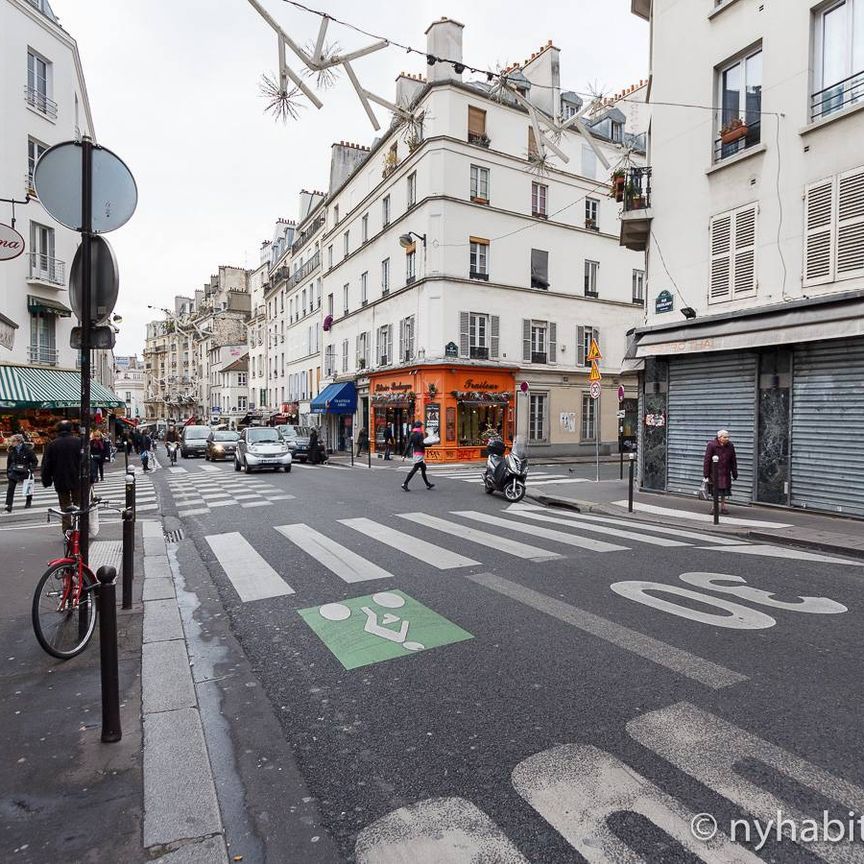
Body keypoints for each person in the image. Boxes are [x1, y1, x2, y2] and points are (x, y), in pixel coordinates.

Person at [41, 420, 81, 533]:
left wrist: (46, 480)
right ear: (71, 429)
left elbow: (47, 464)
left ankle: (67, 528)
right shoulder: (79, 442)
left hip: (60, 478)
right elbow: (86, 460)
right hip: (77, 477)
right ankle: (79, 526)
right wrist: (91, 477)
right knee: (79, 503)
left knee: (65, 505)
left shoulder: (53, 444)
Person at [703, 429, 738, 515]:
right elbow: (707, 460)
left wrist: (734, 472)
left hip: (725, 472)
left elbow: (733, 460)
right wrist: (706, 473)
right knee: (715, 490)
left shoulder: (730, 446)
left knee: (724, 491)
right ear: (719, 437)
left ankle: (723, 507)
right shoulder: (712, 445)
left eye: (728, 437)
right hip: (715, 473)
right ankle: (714, 507)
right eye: (725, 437)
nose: (727, 439)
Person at [5, 434, 38, 513]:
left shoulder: (28, 450)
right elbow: (9, 462)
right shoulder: (11, 450)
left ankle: (28, 501)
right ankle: (8, 505)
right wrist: (8, 472)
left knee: (28, 486)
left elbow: (35, 461)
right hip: (14, 471)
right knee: (10, 488)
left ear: (19, 441)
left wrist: (31, 469)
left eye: (13, 441)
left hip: (25, 471)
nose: (11, 443)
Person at [401, 420, 434, 491]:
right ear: (420, 426)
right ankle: (405, 484)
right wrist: (429, 444)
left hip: (415, 453)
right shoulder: (420, 434)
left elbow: (409, 445)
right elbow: (421, 444)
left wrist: (404, 454)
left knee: (423, 468)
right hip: (420, 454)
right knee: (415, 469)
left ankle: (428, 484)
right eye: (421, 426)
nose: (422, 427)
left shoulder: (412, 433)